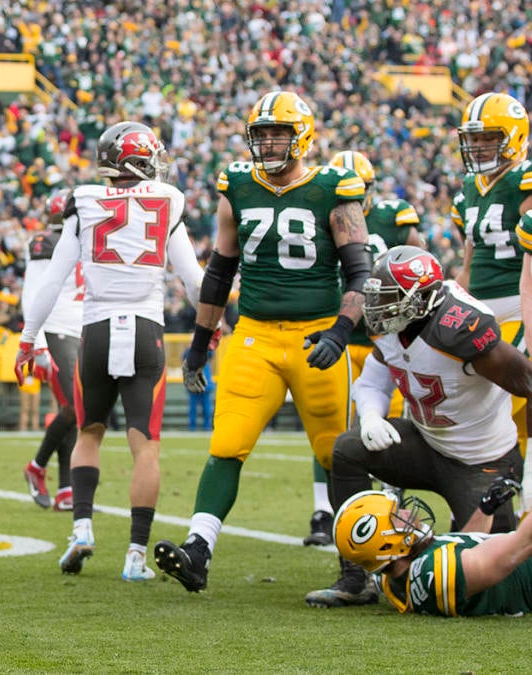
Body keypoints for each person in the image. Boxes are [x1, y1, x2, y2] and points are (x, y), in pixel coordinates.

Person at [154, 91, 373, 592]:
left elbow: (358, 270)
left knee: (335, 455)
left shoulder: (334, 185)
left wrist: (341, 330)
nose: (270, 141)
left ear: (304, 136)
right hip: (253, 334)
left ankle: (358, 568)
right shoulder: (238, 184)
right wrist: (198, 342)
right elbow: (220, 271)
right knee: (227, 443)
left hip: (315, 334)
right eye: (262, 133)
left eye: (280, 132)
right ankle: (198, 550)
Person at [15, 121, 204, 582]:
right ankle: (135, 556)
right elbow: (195, 281)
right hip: (145, 330)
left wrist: (27, 338)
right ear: (139, 160)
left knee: (88, 434)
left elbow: (53, 279)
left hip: (95, 331)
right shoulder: (168, 199)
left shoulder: (82, 200)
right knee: (145, 448)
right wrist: (211, 329)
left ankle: (82, 530)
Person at [305, 246, 532, 607]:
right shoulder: (397, 325)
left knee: (491, 574)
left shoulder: (459, 328)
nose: (379, 306)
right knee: (348, 449)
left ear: (420, 298)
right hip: (427, 443)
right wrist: (371, 417)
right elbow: (370, 384)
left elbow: (527, 382)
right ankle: (355, 577)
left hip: (482, 462)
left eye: (390, 297)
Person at [302, 149, 425, 547]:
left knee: (387, 423)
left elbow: (422, 264)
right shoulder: (319, 212)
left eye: (365, 189)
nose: (358, 196)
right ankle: (324, 509)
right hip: (337, 335)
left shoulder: (393, 217)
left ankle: (388, 499)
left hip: (382, 339)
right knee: (333, 426)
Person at [453, 92, 531, 484]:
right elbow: (469, 262)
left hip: (520, 307)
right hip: (480, 311)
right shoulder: (470, 187)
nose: (479, 145)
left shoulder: (524, 179)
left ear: (514, 136)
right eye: (475, 138)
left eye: (489, 137)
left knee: (505, 398)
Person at [333, 483, 532, 617]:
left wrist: (485, 510)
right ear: (385, 545)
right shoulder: (435, 572)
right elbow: (514, 550)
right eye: (395, 516)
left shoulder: (395, 578)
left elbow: (463, 549)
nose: (407, 512)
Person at [19, 187, 83, 512]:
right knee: (73, 408)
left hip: (83, 331)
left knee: (72, 412)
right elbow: (33, 293)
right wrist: (39, 342)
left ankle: (67, 490)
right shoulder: (48, 242)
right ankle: (37, 465)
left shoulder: (88, 239)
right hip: (58, 331)